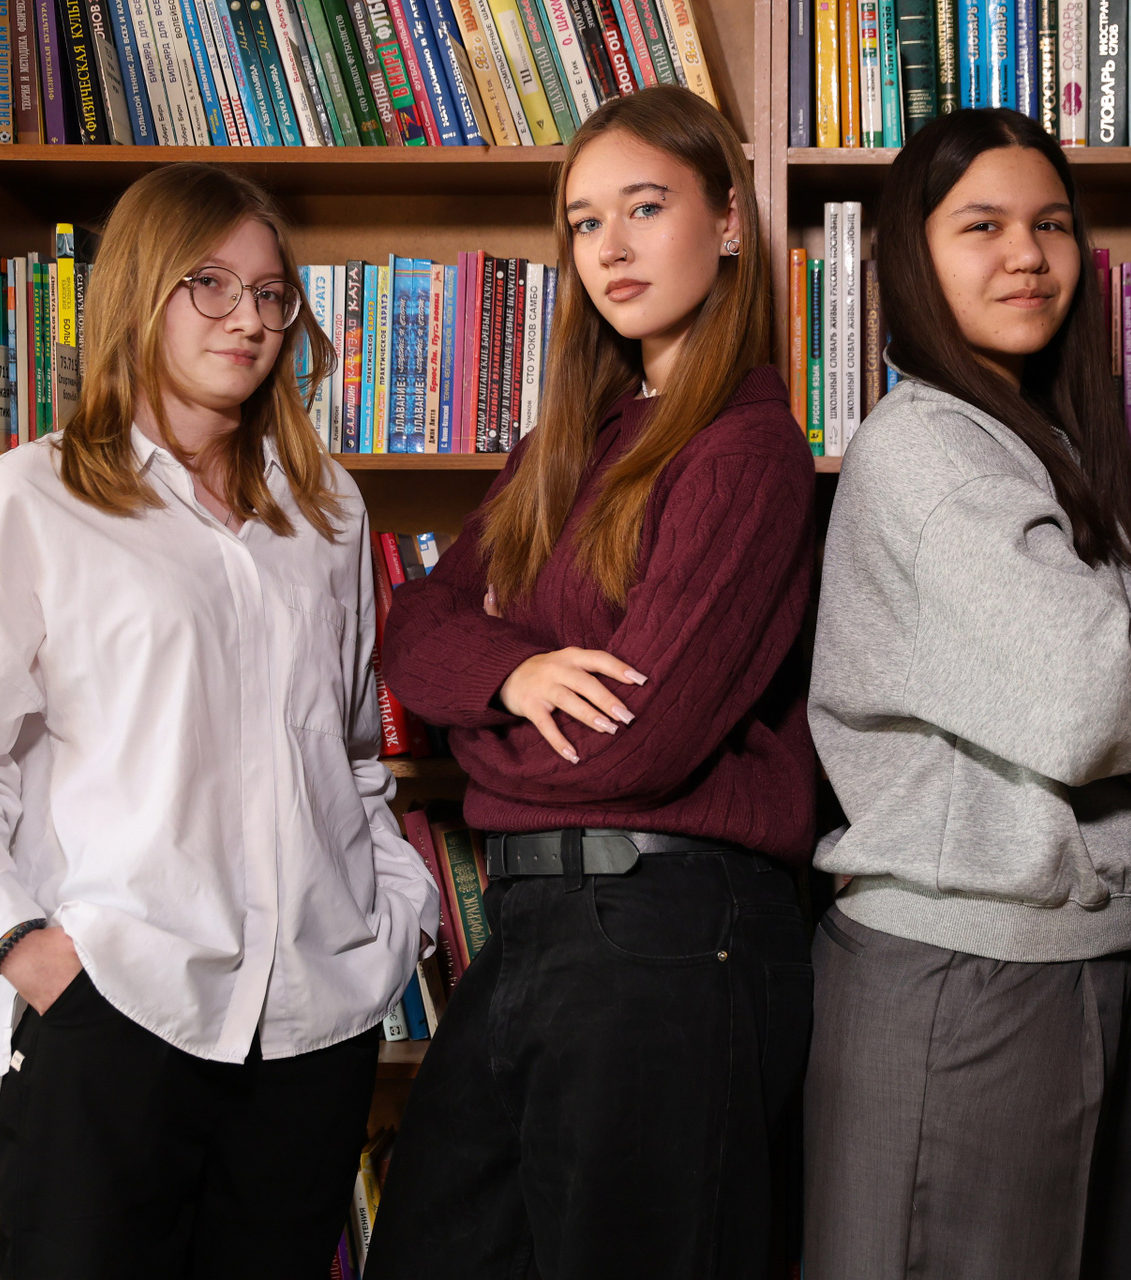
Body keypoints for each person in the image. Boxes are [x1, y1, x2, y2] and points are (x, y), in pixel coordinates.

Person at [0, 163, 437, 1278]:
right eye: (210, 284)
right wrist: (32, 955)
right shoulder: (32, 497)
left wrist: (397, 923)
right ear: (141, 290)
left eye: (270, 293)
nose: (249, 318)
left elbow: (350, 759)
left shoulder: (326, 509)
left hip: (312, 1027)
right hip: (117, 1017)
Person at [362, 85, 816, 1279]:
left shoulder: (746, 447)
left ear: (728, 221)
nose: (610, 247)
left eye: (646, 207)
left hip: (670, 932)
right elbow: (413, 624)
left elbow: (633, 744)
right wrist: (517, 676)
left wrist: (473, 733)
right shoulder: (565, 445)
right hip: (539, 923)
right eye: (583, 221)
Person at [802, 108, 1131, 1280]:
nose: (1027, 256)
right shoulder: (928, 448)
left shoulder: (1050, 447)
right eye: (982, 225)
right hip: (968, 972)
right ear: (913, 256)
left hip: (1091, 959)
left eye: (1050, 225)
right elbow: (1092, 699)